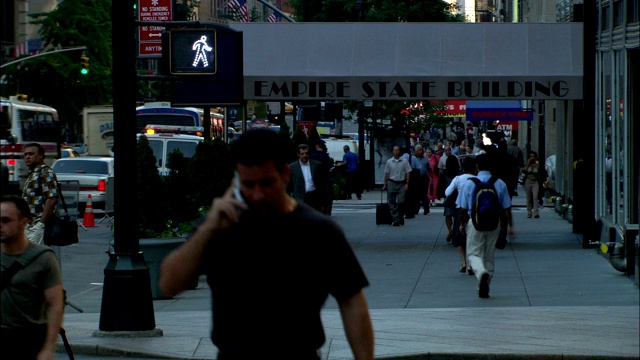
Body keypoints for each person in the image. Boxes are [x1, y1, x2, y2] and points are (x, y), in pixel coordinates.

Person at [158, 129, 374, 360]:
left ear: (285, 174)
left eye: (266, 182)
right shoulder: (221, 225)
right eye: (248, 184)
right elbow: (169, 284)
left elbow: (351, 301)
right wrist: (208, 228)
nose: (257, 194)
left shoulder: (318, 231)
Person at [1, 195, 65, 360]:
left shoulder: (43, 258)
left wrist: (49, 348)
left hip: (29, 342)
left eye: (6, 220)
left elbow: (55, 304)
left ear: (23, 222)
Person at [457, 154, 515, 298]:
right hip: (494, 223)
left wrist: (462, 224)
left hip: (475, 222)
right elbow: (506, 208)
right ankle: (485, 284)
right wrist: (510, 226)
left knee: (474, 253)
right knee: (489, 255)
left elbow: (463, 208)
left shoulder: (470, 183)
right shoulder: (499, 183)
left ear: (477, 166)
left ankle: (480, 272)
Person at [445, 156, 477, 274]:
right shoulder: (478, 179)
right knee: (472, 237)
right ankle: (471, 264)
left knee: (459, 238)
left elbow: (447, 192)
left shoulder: (458, 179)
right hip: (474, 211)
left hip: (459, 210)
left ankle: (463, 262)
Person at [22, 143, 59, 244]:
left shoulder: (45, 172)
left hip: (38, 225)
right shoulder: (33, 173)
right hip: (29, 225)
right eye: (25, 154)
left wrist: (41, 224)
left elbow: (51, 199)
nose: (27, 157)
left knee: (35, 256)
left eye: (31, 154)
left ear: (41, 156)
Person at [287, 143, 324, 212]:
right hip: (299, 199)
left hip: (313, 198)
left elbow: (321, 182)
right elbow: (288, 185)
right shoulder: (292, 167)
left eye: (306, 153)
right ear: (298, 154)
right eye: (302, 154)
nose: (305, 155)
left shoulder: (316, 165)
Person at [382, 145, 412, 227]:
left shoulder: (404, 161)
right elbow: (387, 173)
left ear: (400, 151)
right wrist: (385, 184)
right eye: (394, 150)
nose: (396, 152)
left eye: (397, 150)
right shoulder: (389, 162)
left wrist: (407, 183)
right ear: (392, 151)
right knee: (391, 202)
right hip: (392, 182)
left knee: (401, 201)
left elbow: (408, 172)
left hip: (401, 183)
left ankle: (400, 215)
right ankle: (396, 219)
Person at [309, 140, 335, 216]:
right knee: (323, 194)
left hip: (314, 178)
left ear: (316, 146)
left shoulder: (312, 156)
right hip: (324, 179)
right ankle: (323, 208)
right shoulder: (325, 156)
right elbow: (331, 168)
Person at [401, 146, 422, 219]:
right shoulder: (413, 158)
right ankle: (412, 210)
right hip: (412, 180)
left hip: (403, 179)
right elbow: (419, 168)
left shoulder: (401, 159)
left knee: (404, 196)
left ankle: (404, 210)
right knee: (412, 196)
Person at [522, 151, 541, 218]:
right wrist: (528, 163)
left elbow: (541, 172)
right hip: (528, 181)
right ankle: (529, 213)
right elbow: (524, 171)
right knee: (529, 198)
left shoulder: (538, 164)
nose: (532, 158)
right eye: (531, 156)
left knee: (535, 197)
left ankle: (536, 213)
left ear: (536, 157)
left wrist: (537, 165)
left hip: (535, 182)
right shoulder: (527, 164)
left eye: (533, 156)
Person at [414, 144, 431, 215]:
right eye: (418, 150)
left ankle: (426, 209)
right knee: (416, 195)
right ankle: (416, 209)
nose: (420, 151)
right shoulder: (413, 158)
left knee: (424, 194)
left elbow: (429, 168)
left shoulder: (425, 159)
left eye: (421, 150)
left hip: (424, 178)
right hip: (416, 178)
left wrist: (431, 178)